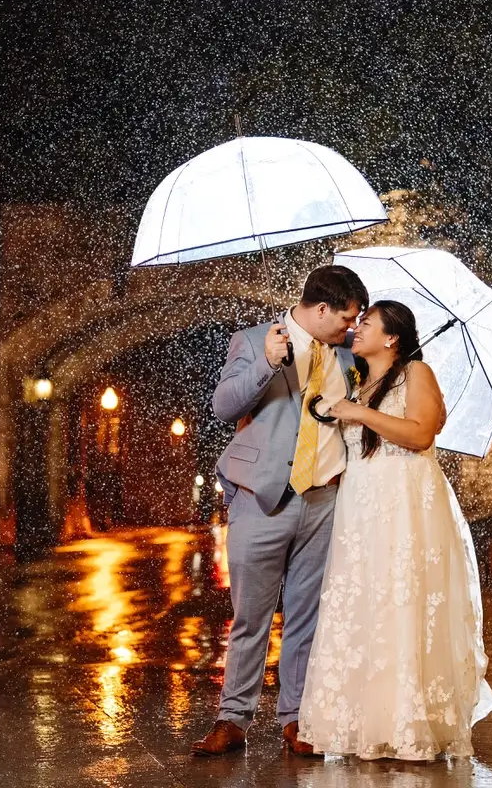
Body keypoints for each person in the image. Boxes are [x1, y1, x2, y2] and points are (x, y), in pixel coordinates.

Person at [298, 299, 492, 761]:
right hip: (361, 506)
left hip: (404, 503)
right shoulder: (360, 380)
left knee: (404, 600)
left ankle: (410, 720)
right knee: (367, 603)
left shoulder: (416, 374)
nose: (357, 328)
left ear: (392, 338)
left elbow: (419, 434)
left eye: (366, 323)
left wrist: (359, 413)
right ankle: (369, 721)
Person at [190, 265, 368, 757]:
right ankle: (233, 719)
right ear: (321, 309)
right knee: (251, 616)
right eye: (346, 318)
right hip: (261, 498)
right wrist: (267, 363)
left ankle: (296, 720)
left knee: (306, 616)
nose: (350, 327)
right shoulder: (253, 340)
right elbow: (224, 406)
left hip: (324, 498)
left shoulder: (351, 356)